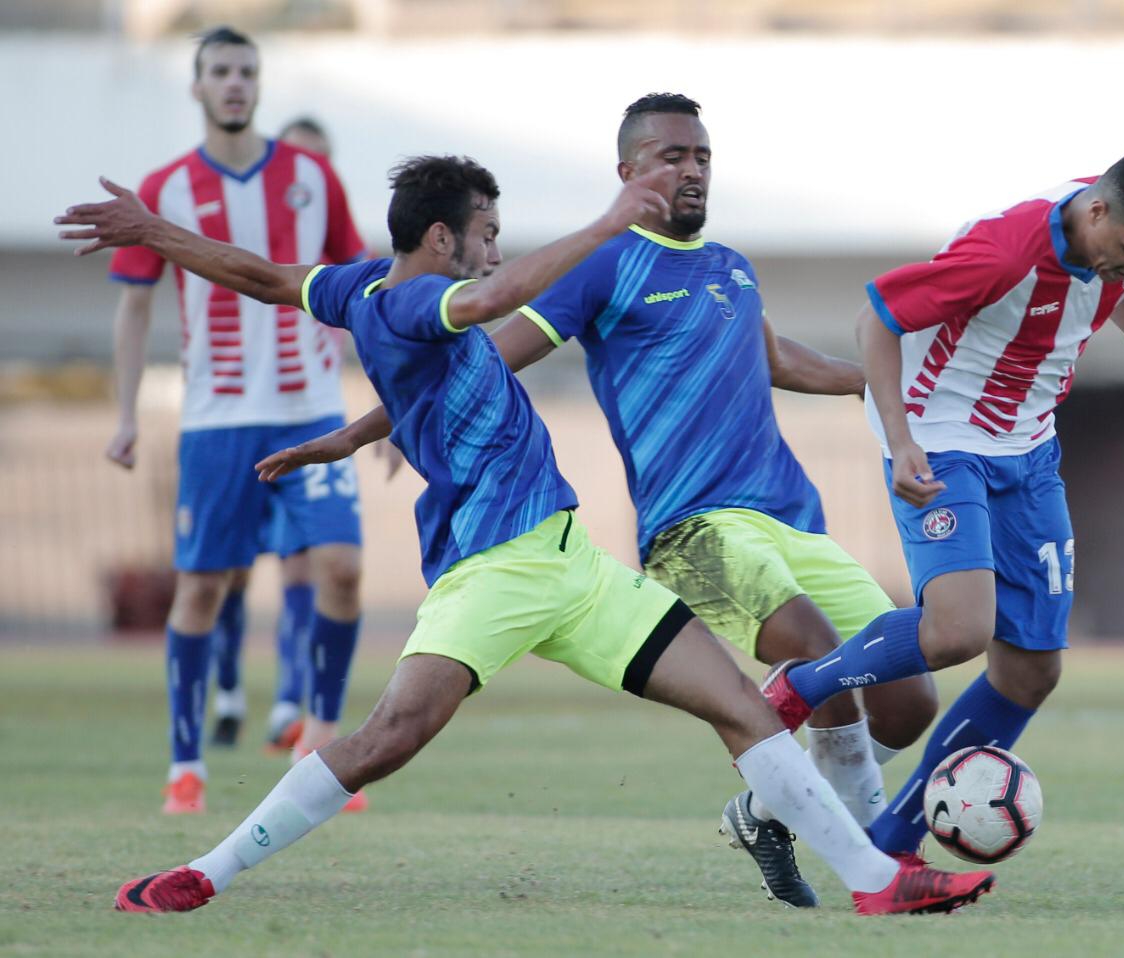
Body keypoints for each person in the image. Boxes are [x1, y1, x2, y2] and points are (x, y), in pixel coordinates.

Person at [57, 155, 994, 917]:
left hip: (573, 568)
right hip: (493, 571)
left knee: (744, 710)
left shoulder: (349, 288)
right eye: (485, 232)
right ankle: (205, 873)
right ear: (441, 238)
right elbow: (488, 299)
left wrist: (156, 233)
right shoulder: (409, 302)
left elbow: (262, 276)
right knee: (389, 736)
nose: (491, 249)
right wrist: (609, 222)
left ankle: (878, 886)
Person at [263, 93, 943, 907]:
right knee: (814, 653)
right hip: (693, 530)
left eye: (701, 157)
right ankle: (881, 863)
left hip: (789, 517)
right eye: (671, 157)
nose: (690, 170)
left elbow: (779, 361)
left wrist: (898, 385)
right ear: (629, 172)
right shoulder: (603, 263)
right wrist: (364, 431)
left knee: (906, 704)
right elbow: (480, 359)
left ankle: (763, 811)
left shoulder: (731, 265)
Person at [754, 151, 1124, 859]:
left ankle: (891, 842)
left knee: (1031, 671)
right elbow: (875, 319)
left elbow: (1113, 280)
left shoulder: (1102, 226)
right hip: (942, 437)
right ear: (1096, 212)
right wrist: (902, 437)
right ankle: (800, 688)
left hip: (1027, 448)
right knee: (957, 631)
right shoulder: (1004, 253)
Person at [103, 26, 367, 813]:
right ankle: (186, 764)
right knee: (205, 589)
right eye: (219, 70)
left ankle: (320, 742)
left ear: (258, 83)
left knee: (343, 571)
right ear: (196, 86)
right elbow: (134, 305)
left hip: (313, 409)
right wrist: (124, 415)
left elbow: (357, 293)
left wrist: (392, 407)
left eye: (246, 71)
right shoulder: (165, 188)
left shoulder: (314, 178)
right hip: (217, 423)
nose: (234, 82)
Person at [210, 115, 370, 754]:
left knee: (316, 564)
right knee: (230, 572)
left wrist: (380, 419)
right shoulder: (251, 242)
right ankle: (226, 690)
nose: (313, 176)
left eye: (324, 163)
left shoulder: (338, 258)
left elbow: (377, 322)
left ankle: (290, 705)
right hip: (237, 424)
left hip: (312, 420)